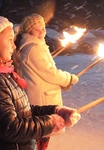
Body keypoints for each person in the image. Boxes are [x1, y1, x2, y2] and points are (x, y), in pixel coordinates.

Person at [0, 15, 81, 150]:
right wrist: (50, 122)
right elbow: (11, 128)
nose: (14, 45)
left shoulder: (4, 73)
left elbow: (23, 111)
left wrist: (54, 110)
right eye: (10, 40)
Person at [13, 13, 79, 149]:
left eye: (42, 28)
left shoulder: (33, 45)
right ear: (28, 30)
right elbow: (50, 73)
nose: (41, 32)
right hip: (41, 98)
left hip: (40, 95)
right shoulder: (34, 47)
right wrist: (69, 79)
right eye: (36, 29)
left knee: (40, 134)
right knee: (41, 135)